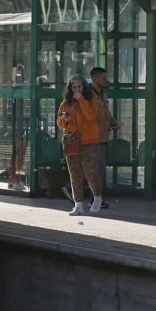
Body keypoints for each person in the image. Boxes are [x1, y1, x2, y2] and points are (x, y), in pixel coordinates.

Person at [56, 74, 103, 215]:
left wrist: (81, 100)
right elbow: (60, 123)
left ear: (84, 87)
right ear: (70, 88)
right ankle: (78, 205)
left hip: (90, 141)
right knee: (75, 173)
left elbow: (90, 116)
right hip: (72, 140)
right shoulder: (66, 103)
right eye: (74, 87)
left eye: (79, 87)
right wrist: (64, 119)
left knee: (90, 171)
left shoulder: (92, 100)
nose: (76, 90)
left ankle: (97, 197)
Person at [89, 66, 119, 209]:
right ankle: (72, 189)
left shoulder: (102, 94)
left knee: (98, 170)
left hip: (103, 137)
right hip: (93, 138)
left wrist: (114, 123)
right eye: (103, 78)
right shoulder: (89, 95)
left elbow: (106, 112)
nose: (106, 81)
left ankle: (95, 198)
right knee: (95, 169)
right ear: (95, 79)